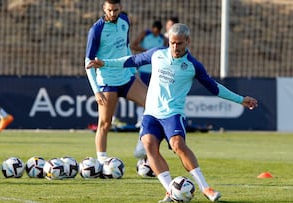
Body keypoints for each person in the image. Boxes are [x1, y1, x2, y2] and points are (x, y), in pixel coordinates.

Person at [87, 23, 258, 202]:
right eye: (172, 43)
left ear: (188, 41)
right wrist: (105, 63)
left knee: (178, 145)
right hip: (151, 113)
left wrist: (240, 99)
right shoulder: (157, 54)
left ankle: (205, 187)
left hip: (173, 114)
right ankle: (170, 190)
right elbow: (131, 60)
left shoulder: (193, 66)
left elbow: (214, 88)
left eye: (179, 43)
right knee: (149, 146)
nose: (175, 47)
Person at [84, 0, 147, 163]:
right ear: (104, 9)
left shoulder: (125, 21)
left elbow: (126, 48)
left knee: (153, 105)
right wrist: (96, 90)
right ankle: (102, 162)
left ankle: (142, 145)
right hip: (107, 82)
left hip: (127, 77)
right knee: (105, 124)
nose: (113, 13)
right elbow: (88, 62)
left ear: (121, 8)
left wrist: (134, 72)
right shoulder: (96, 29)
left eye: (116, 10)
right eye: (110, 10)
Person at [130, 20, 167, 159]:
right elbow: (133, 45)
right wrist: (147, 53)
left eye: (158, 31)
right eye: (155, 30)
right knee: (145, 96)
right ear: (152, 28)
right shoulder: (145, 35)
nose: (156, 33)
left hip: (157, 72)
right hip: (144, 71)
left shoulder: (162, 39)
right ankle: (142, 118)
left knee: (155, 97)